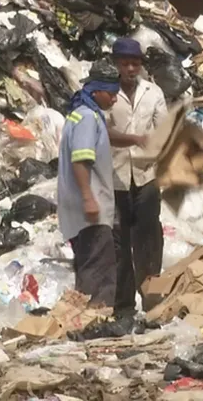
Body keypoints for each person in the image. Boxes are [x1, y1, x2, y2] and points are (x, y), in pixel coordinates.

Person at [107, 38, 168, 317]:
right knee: (119, 243)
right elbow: (103, 132)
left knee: (148, 240)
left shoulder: (153, 92)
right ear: (115, 64)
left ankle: (151, 298)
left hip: (146, 176)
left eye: (135, 63)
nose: (131, 69)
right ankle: (124, 305)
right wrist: (133, 139)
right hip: (115, 177)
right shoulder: (105, 94)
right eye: (125, 63)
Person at [57, 62, 123, 306]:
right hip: (90, 209)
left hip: (84, 207)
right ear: (97, 91)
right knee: (99, 269)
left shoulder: (85, 113)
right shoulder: (86, 117)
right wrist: (88, 197)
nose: (115, 99)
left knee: (90, 263)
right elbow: (81, 159)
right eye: (112, 94)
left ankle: (86, 317)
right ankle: (95, 318)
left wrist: (136, 139)